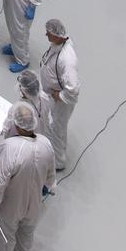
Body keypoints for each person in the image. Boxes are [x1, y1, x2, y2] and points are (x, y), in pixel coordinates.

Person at [0, 101, 56, 251]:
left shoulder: (10, 147)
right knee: (26, 232)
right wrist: (47, 186)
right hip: (35, 204)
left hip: (11, 205)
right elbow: (51, 173)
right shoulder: (46, 143)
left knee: (4, 237)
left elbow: (0, 178)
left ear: (16, 124)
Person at [39, 18, 80, 170]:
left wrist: (60, 96)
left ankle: (58, 162)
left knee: (57, 129)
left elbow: (74, 88)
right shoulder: (58, 44)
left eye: (48, 33)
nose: (46, 35)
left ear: (57, 35)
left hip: (61, 102)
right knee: (52, 126)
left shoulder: (67, 59)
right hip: (52, 95)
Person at [1, 69, 50, 139]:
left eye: (20, 86)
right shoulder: (44, 97)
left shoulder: (18, 108)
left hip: (25, 138)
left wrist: (4, 131)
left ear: (23, 90)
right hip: (41, 134)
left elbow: (6, 129)